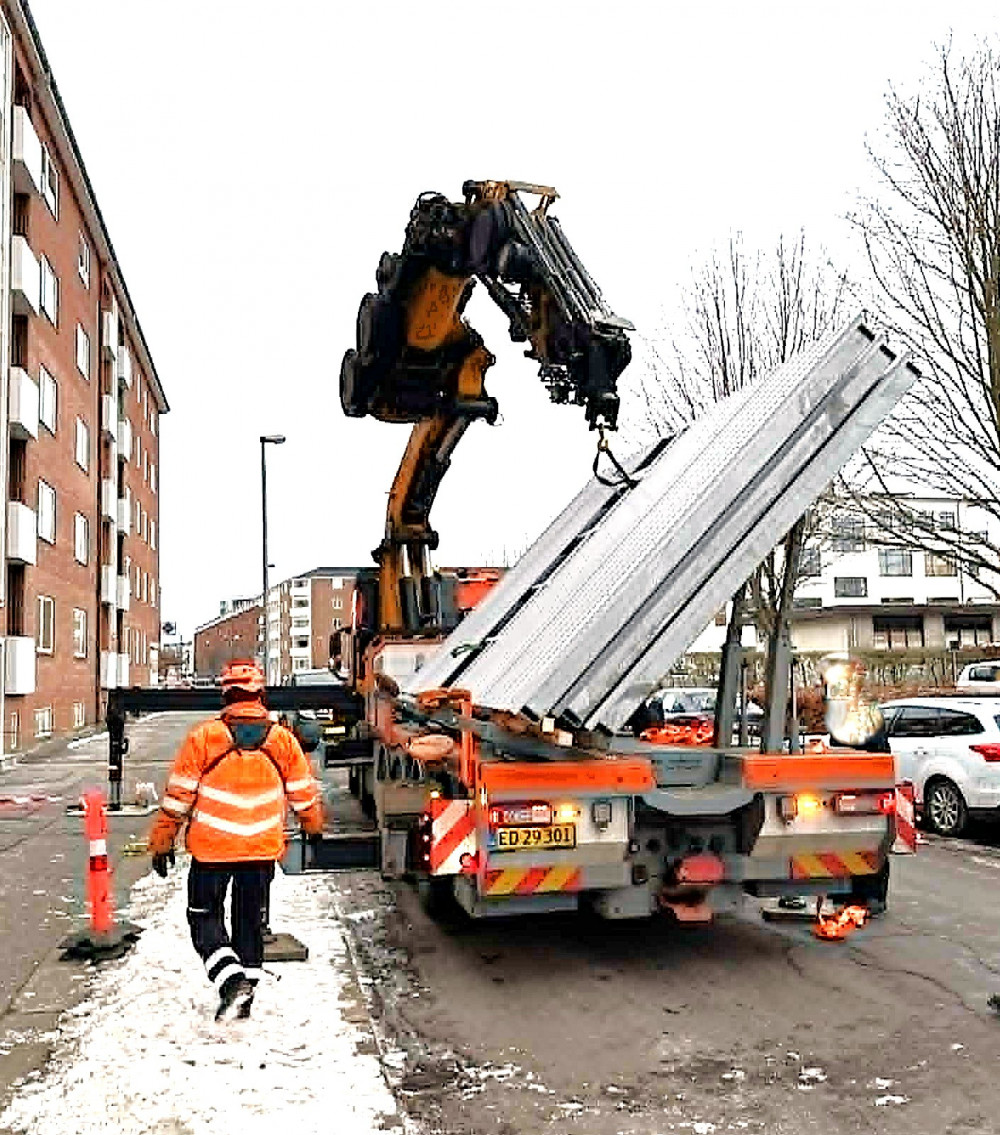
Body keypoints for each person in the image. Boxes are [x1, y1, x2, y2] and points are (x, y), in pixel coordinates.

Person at [147, 659, 324, 1020]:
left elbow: (177, 797)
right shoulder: (282, 741)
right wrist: (313, 828)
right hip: (260, 851)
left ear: (225, 694)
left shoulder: (204, 739)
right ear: (261, 694)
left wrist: (162, 842)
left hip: (212, 852)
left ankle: (231, 984)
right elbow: (304, 795)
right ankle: (245, 1001)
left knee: (204, 917)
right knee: (249, 923)